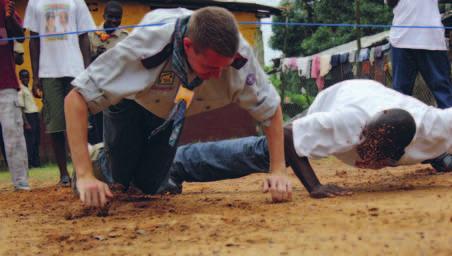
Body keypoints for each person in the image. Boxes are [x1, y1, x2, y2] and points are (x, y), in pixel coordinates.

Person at [65, 7, 291, 208]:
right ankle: (98, 157)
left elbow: (270, 108)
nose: (218, 75)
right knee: (120, 178)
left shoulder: (238, 54)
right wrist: (85, 174)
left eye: (225, 67)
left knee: (148, 187)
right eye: (211, 67)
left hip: (173, 107)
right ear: (188, 46)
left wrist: (278, 169)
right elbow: (75, 98)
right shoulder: (145, 45)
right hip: (129, 101)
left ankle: (148, 174)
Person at [158, 80, 452, 198]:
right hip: (339, 98)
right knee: (272, 151)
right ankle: (177, 164)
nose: (367, 160)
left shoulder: (436, 125)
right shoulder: (347, 124)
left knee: (438, 147)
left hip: (387, 102)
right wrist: (315, 185)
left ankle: (438, 157)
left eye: (379, 158)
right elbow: (286, 133)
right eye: (365, 149)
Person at [24, 0, 95, 186]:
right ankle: (63, 174)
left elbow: (84, 36)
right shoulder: (35, 2)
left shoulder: (76, 1)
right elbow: (33, 39)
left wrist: (87, 71)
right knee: (55, 125)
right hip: (48, 71)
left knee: (79, 123)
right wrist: (36, 75)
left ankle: (81, 172)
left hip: (75, 70)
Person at [87, 0, 128, 144]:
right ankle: (100, 153)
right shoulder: (91, 36)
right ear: (103, 15)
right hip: (97, 89)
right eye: (111, 16)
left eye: (118, 17)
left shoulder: (125, 37)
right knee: (98, 125)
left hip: (116, 89)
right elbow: (85, 62)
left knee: (117, 124)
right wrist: (95, 56)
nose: (114, 20)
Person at [0, 0, 30, 191]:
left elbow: (20, 37)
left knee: (13, 135)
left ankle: (21, 183)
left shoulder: (4, 5)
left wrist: (9, 19)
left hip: (5, 83)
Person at [18, 69, 41, 168]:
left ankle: (36, 163)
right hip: (28, 116)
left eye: (27, 76)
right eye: (23, 77)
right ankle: (29, 163)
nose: (26, 79)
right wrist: (26, 123)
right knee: (29, 142)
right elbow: (21, 108)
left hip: (35, 115)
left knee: (36, 140)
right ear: (20, 78)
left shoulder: (29, 87)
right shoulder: (21, 90)